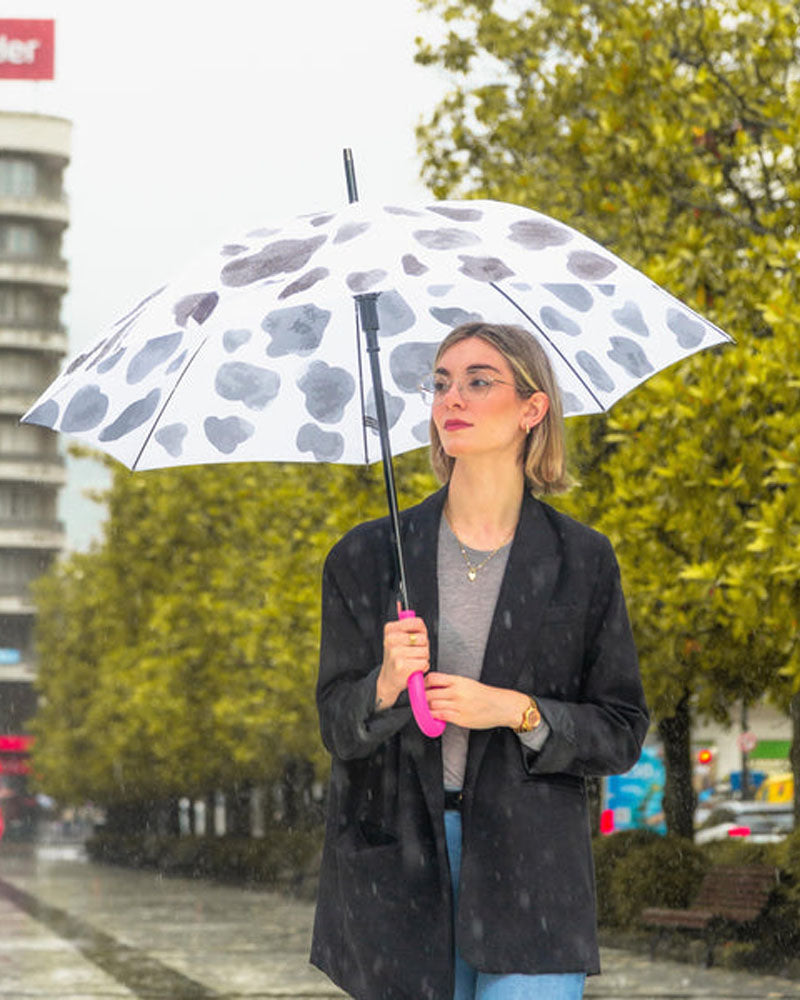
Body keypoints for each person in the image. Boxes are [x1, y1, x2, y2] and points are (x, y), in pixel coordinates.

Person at [310, 322, 649, 1000]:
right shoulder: (368, 557)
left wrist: (516, 711)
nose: (451, 399)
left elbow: (619, 730)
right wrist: (382, 685)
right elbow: (336, 727)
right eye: (440, 384)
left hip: (532, 871)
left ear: (532, 409)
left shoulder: (583, 560)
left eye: (478, 380)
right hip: (399, 868)